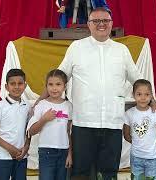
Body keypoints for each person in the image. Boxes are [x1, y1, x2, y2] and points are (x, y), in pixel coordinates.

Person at [35, 7, 140, 180]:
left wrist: (153, 102)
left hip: (112, 123)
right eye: (96, 21)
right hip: (83, 123)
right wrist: (39, 100)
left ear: (111, 24)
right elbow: (59, 77)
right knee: (80, 173)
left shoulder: (121, 50)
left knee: (108, 173)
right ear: (89, 25)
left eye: (105, 21)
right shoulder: (77, 47)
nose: (101, 24)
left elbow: (138, 80)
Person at [27, 69, 73, 180]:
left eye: (58, 84)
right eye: (50, 84)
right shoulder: (41, 105)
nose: (54, 88)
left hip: (64, 152)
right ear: (46, 86)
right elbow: (31, 131)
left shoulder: (69, 106)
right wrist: (44, 119)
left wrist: (70, 154)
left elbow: (69, 131)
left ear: (64, 86)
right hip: (46, 152)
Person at [0, 69, 31, 180]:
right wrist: (10, 149)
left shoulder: (27, 106)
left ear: (25, 85)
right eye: (12, 84)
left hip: (21, 157)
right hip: (1, 157)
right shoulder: (0, 106)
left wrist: (26, 148)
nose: (16, 87)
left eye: (20, 83)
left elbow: (29, 131)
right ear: (6, 87)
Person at [123, 79, 156, 180]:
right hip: (136, 157)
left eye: (147, 94)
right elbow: (126, 135)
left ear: (151, 95)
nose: (143, 98)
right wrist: (137, 143)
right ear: (133, 95)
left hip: (153, 158)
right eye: (139, 94)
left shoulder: (155, 113)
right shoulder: (129, 113)